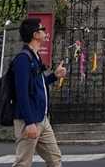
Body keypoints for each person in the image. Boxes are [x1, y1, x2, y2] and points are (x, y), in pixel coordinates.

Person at [12, 17, 67, 167]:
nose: (45, 31)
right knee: (23, 163)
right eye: (43, 29)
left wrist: (54, 76)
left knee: (55, 159)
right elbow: (21, 93)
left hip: (42, 118)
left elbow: (38, 85)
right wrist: (29, 122)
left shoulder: (35, 57)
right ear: (35, 34)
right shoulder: (23, 59)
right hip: (29, 120)